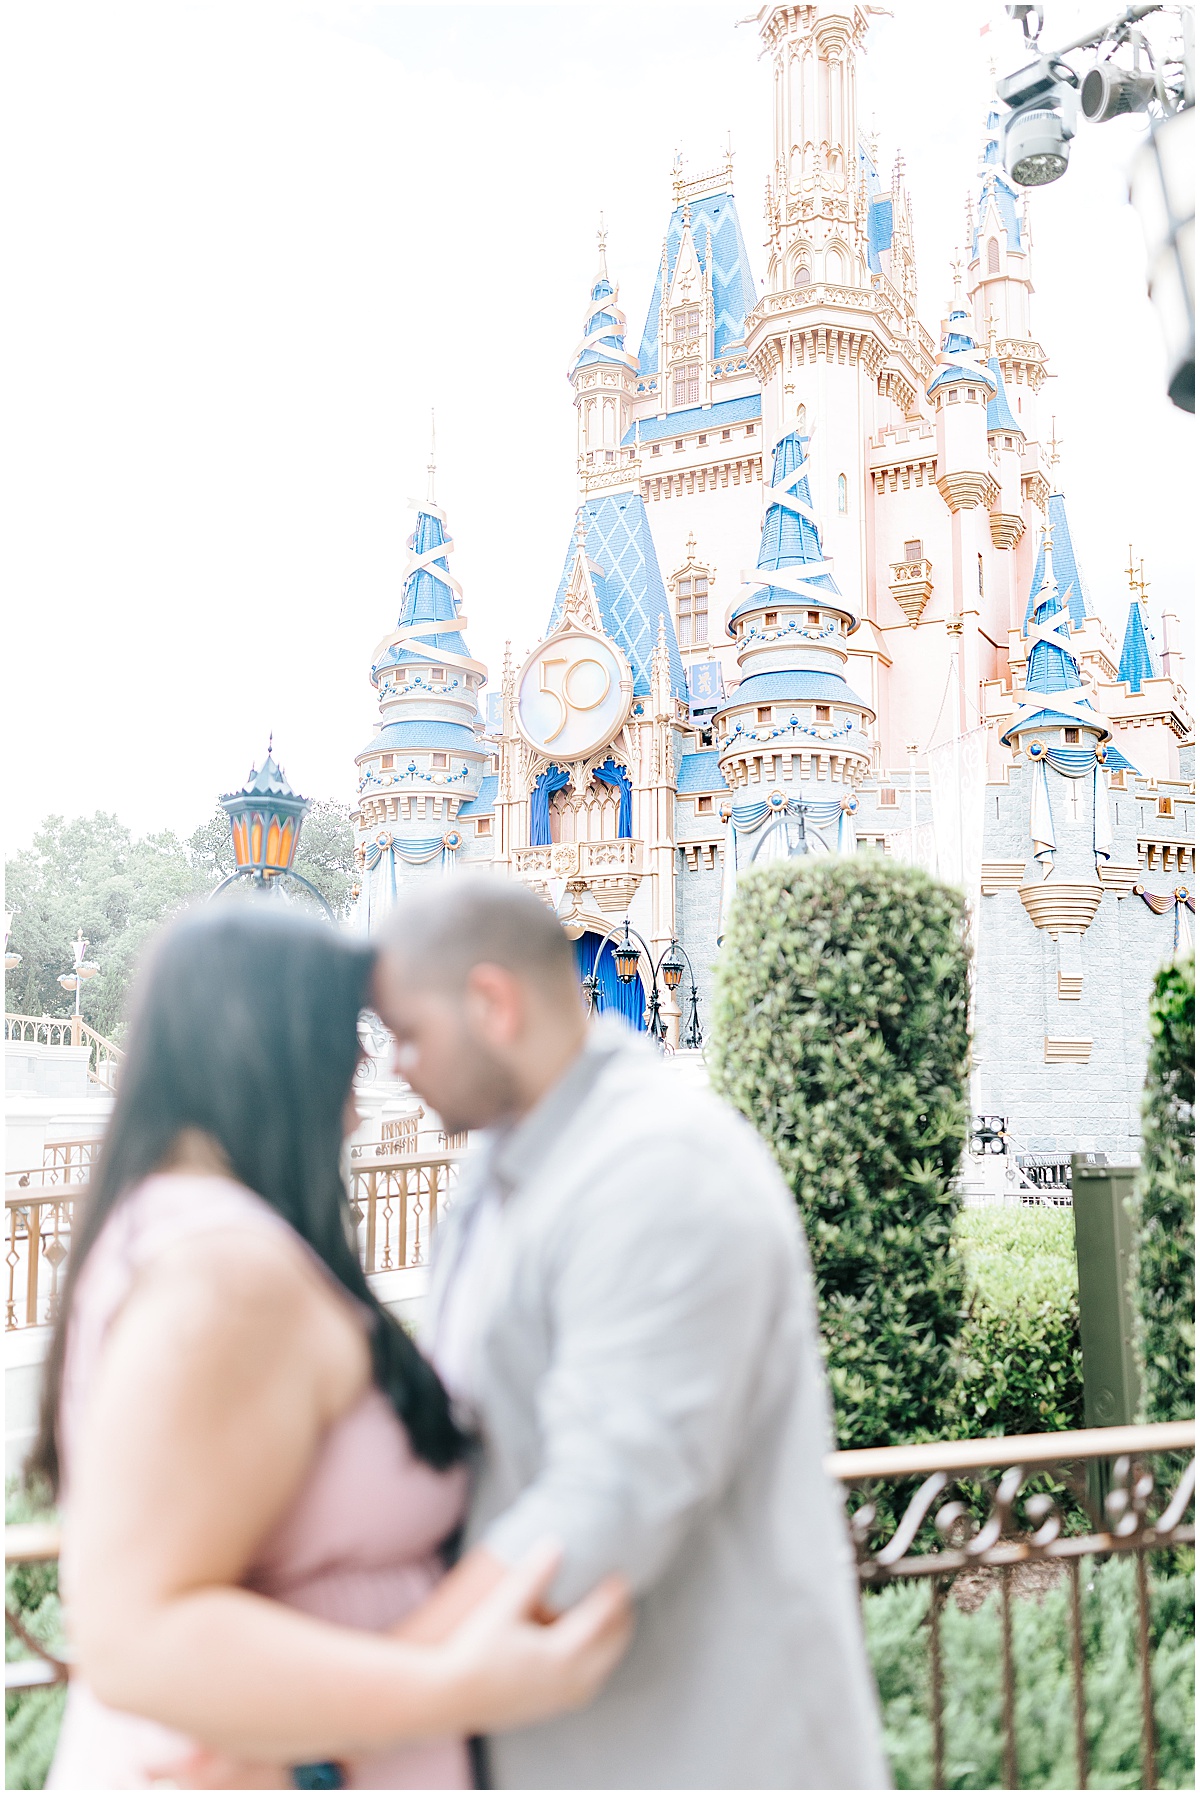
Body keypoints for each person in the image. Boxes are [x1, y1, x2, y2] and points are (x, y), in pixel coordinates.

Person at [30, 904, 630, 1791]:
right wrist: (455, 1686)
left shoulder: (182, 1229)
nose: (362, 1096)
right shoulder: (226, 1275)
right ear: (273, 1050)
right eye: (347, 1049)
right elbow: (134, 1633)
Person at [371, 878, 889, 1791]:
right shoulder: (500, 1160)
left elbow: (602, 1503)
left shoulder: (661, 1166)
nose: (395, 1067)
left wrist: (350, 1711)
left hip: (699, 1752)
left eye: (409, 1034)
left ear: (492, 1003)